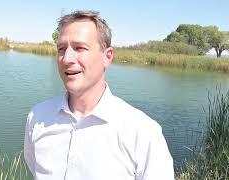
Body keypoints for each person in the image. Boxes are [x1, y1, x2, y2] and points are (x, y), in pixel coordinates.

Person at [24, 10, 174, 180]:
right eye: (61, 48)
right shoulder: (38, 117)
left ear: (107, 57)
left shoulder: (143, 133)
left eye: (80, 48)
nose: (66, 58)